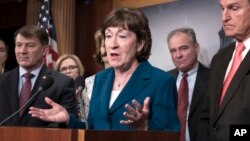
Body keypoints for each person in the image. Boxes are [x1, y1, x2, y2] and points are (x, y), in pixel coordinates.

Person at [29, 7, 180, 131]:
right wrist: (69, 119)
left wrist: (145, 127)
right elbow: (93, 130)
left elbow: (170, 135)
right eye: (108, 36)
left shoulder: (161, 81)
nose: (112, 44)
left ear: (140, 44)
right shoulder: (100, 79)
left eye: (122, 36)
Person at [0, 25, 77, 127]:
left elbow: (71, 124)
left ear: (44, 50)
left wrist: (67, 119)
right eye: (18, 45)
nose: (22, 51)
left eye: (30, 45)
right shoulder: (2, 80)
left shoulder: (62, 83)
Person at [198, 0, 250, 141]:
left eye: (234, 8)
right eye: (222, 9)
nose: (224, 17)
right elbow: (206, 115)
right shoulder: (219, 58)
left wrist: (231, 135)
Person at [167, 27, 209, 141]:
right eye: (173, 51)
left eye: (183, 48)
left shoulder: (213, 78)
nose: (178, 55)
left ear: (196, 48)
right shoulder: (164, 79)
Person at [54, 54, 86, 121]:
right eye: (63, 69)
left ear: (79, 70)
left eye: (72, 67)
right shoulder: (54, 92)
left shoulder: (89, 89)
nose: (68, 71)